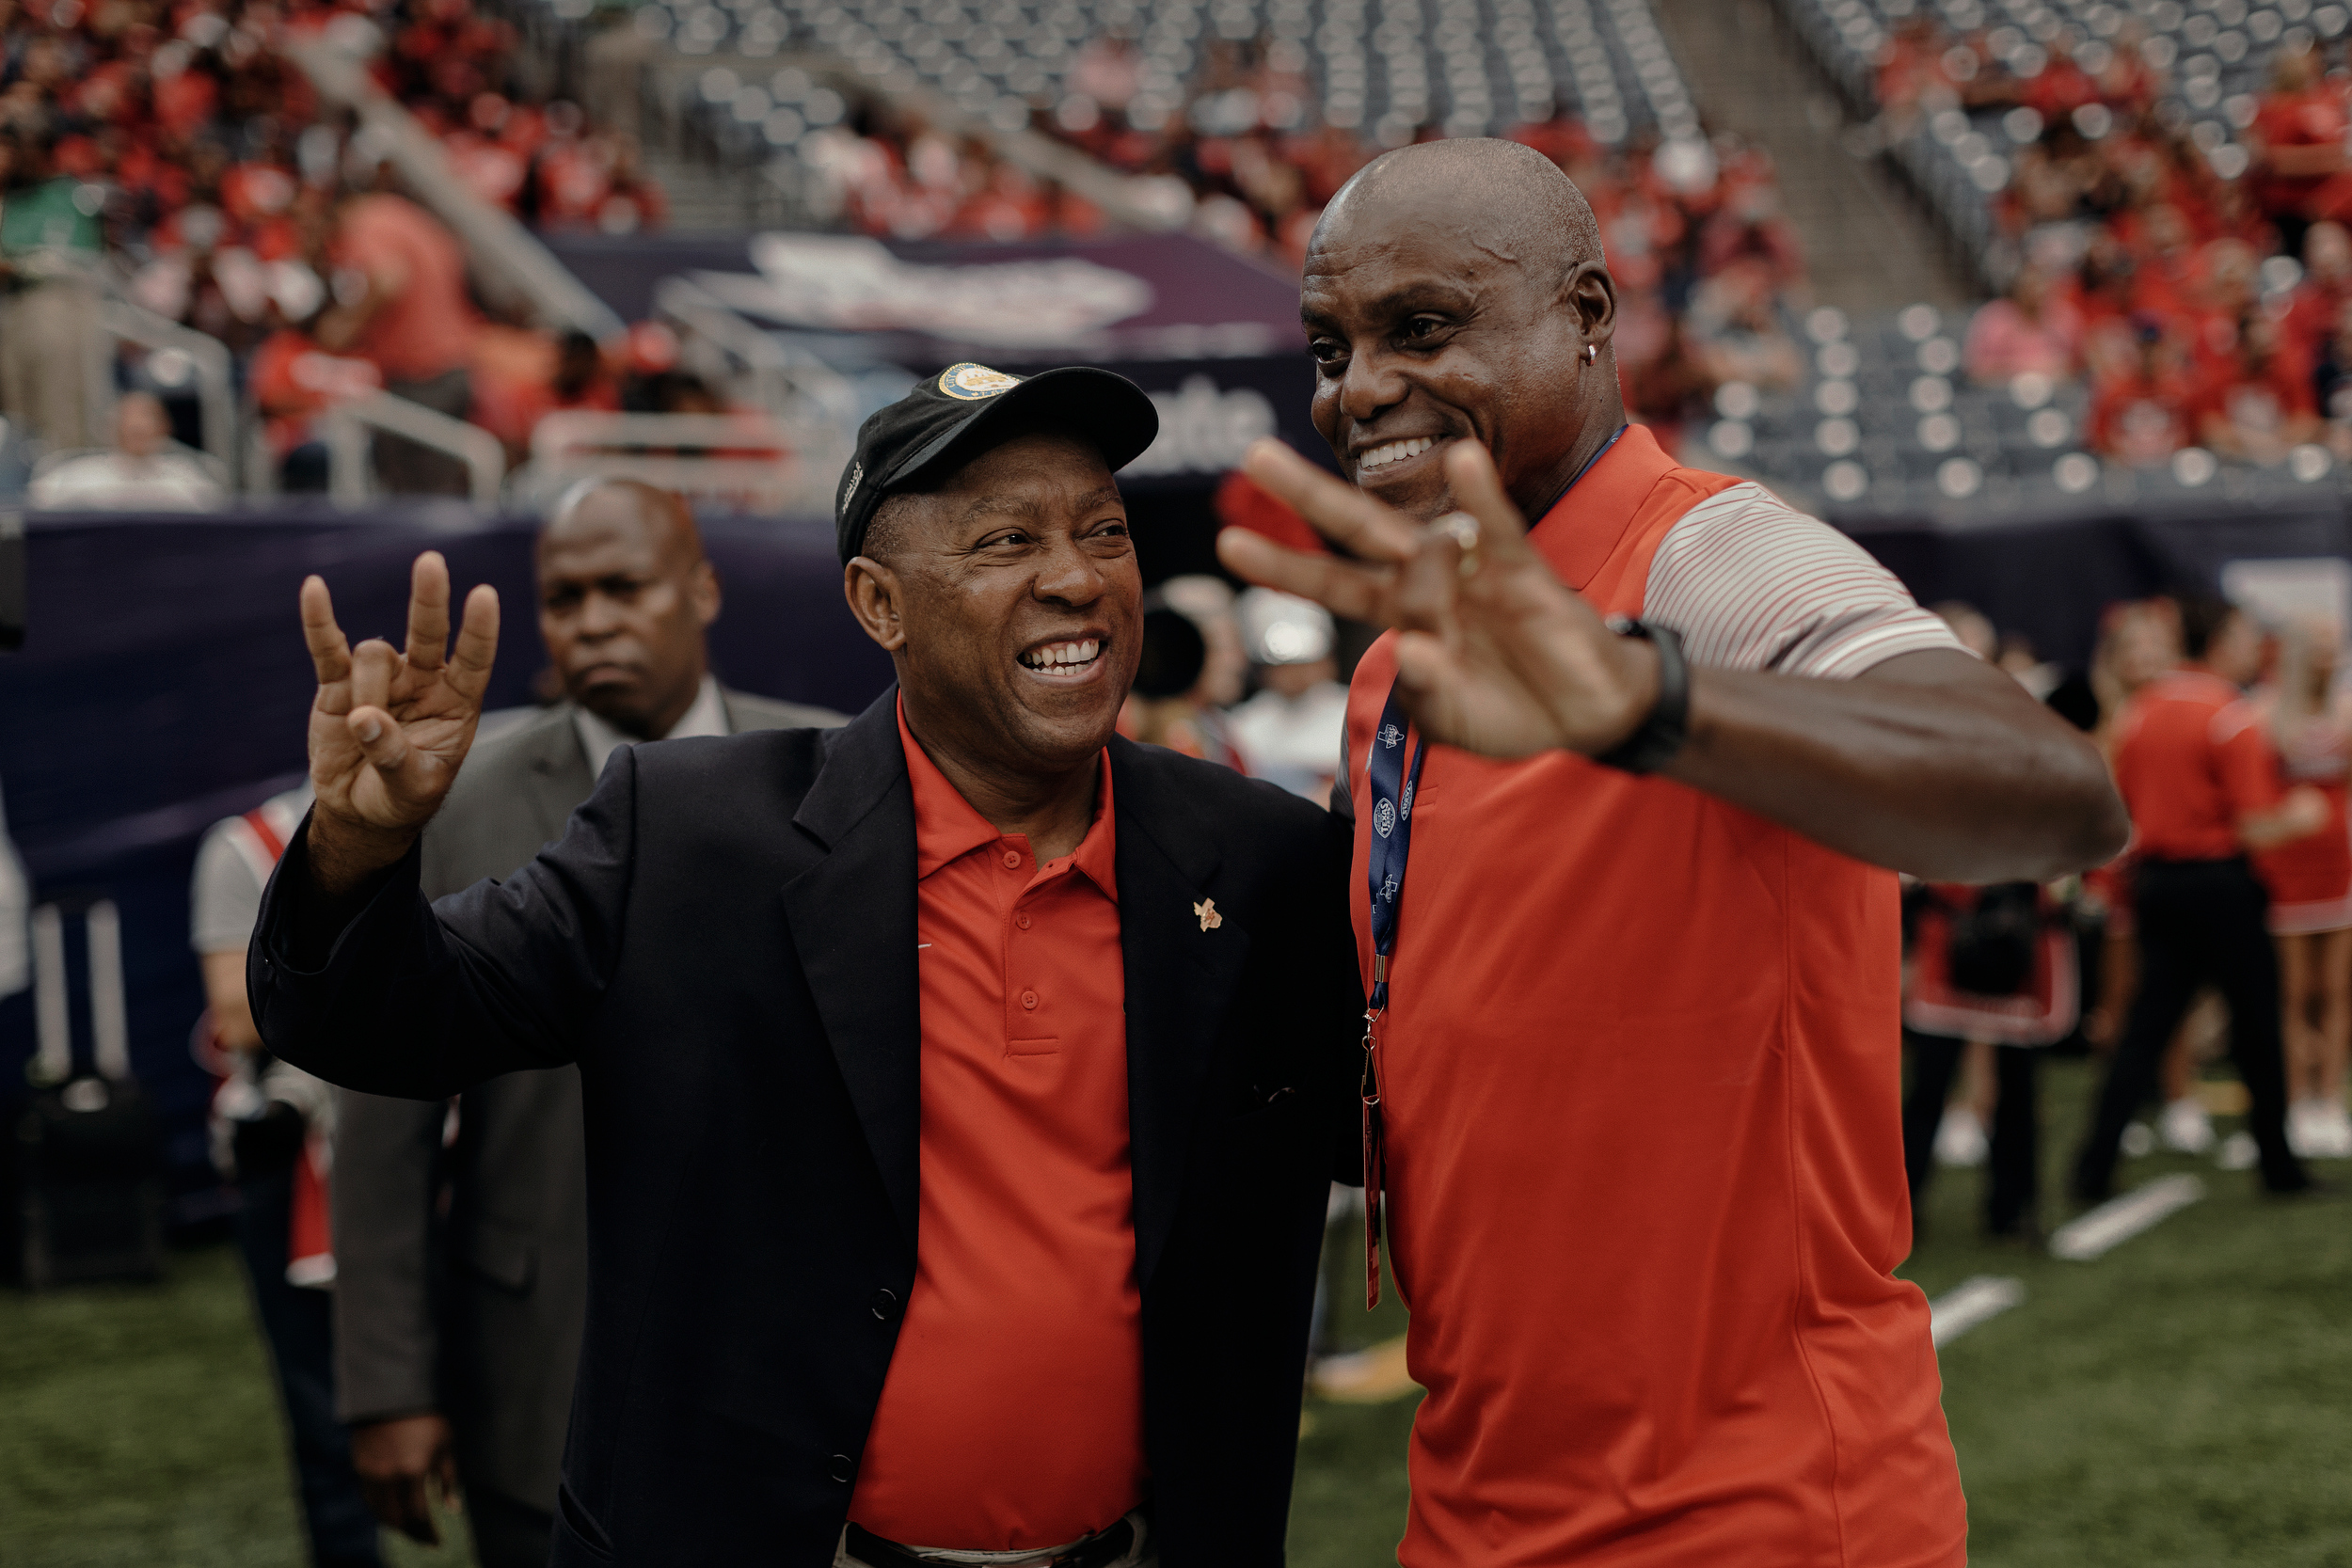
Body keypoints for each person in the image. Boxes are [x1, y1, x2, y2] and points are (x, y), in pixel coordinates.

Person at [248, 363, 1361, 1566]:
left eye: (1105, 530)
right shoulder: (687, 837)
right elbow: (391, 1024)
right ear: (879, 604)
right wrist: (361, 846)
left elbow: (1419, 1122)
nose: (1077, 577)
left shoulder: (1257, 858)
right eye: (1006, 539)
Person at [1216, 137, 2129, 1567]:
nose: (1359, 388)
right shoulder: (1398, 666)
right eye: (1330, 346)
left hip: (1753, 1511)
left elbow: (2053, 790)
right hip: (1475, 1497)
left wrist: (1652, 695)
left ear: (1590, 318)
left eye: (1425, 326)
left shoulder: (1707, 555)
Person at [332, 481, 845, 1568]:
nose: (594, 619)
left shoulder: (836, 773)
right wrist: (386, 1379)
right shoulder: (454, 793)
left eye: (625, 586)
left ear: (701, 587)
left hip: (803, 1361)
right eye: (564, 598)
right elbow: (383, 1106)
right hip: (539, 1365)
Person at [2074, 595, 2328, 1202]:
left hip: (2155, 886)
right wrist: (2302, 815)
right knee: (2257, 1027)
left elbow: (2125, 808)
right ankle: (2279, 1168)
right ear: (2215, 642)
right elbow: (2252, 820)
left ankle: (2092, 1167)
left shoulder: (2139, 712)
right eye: (2242, 636)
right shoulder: (2228, 715)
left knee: (2145, 1027)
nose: (2251, 647)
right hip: (2220, 884)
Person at [190, 782, 384, 1568]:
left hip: (429, 1145)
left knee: (506, 1401)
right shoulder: (246, 847)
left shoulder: (454, 818)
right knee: (323, 1417)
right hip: (296, 1155)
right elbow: (238, 1015)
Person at [2250, 615, 2352, 1158]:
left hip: (2339, 868)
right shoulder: (2267, 714)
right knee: (2292, 994)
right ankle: (2294, 1102)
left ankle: (2328, 1100)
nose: (2328, 659)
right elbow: (2257, 798)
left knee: (2336, 993)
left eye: (2334, 649)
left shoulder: (2347, 710)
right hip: (2285, 873)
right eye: (2318, 649)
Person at [314, 188, 476, 494]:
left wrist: (345, 325)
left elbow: (389, 278)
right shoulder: (410, 217)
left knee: (414, 501)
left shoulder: (369, 221)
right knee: (438, 489)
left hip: (422, 376)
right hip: (453, 367)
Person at [29, 390, 226, 510]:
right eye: (130, 419)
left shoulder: (186, 480)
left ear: (164, 428)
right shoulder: (77, 477)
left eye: (148, 418)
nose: (138, 427)